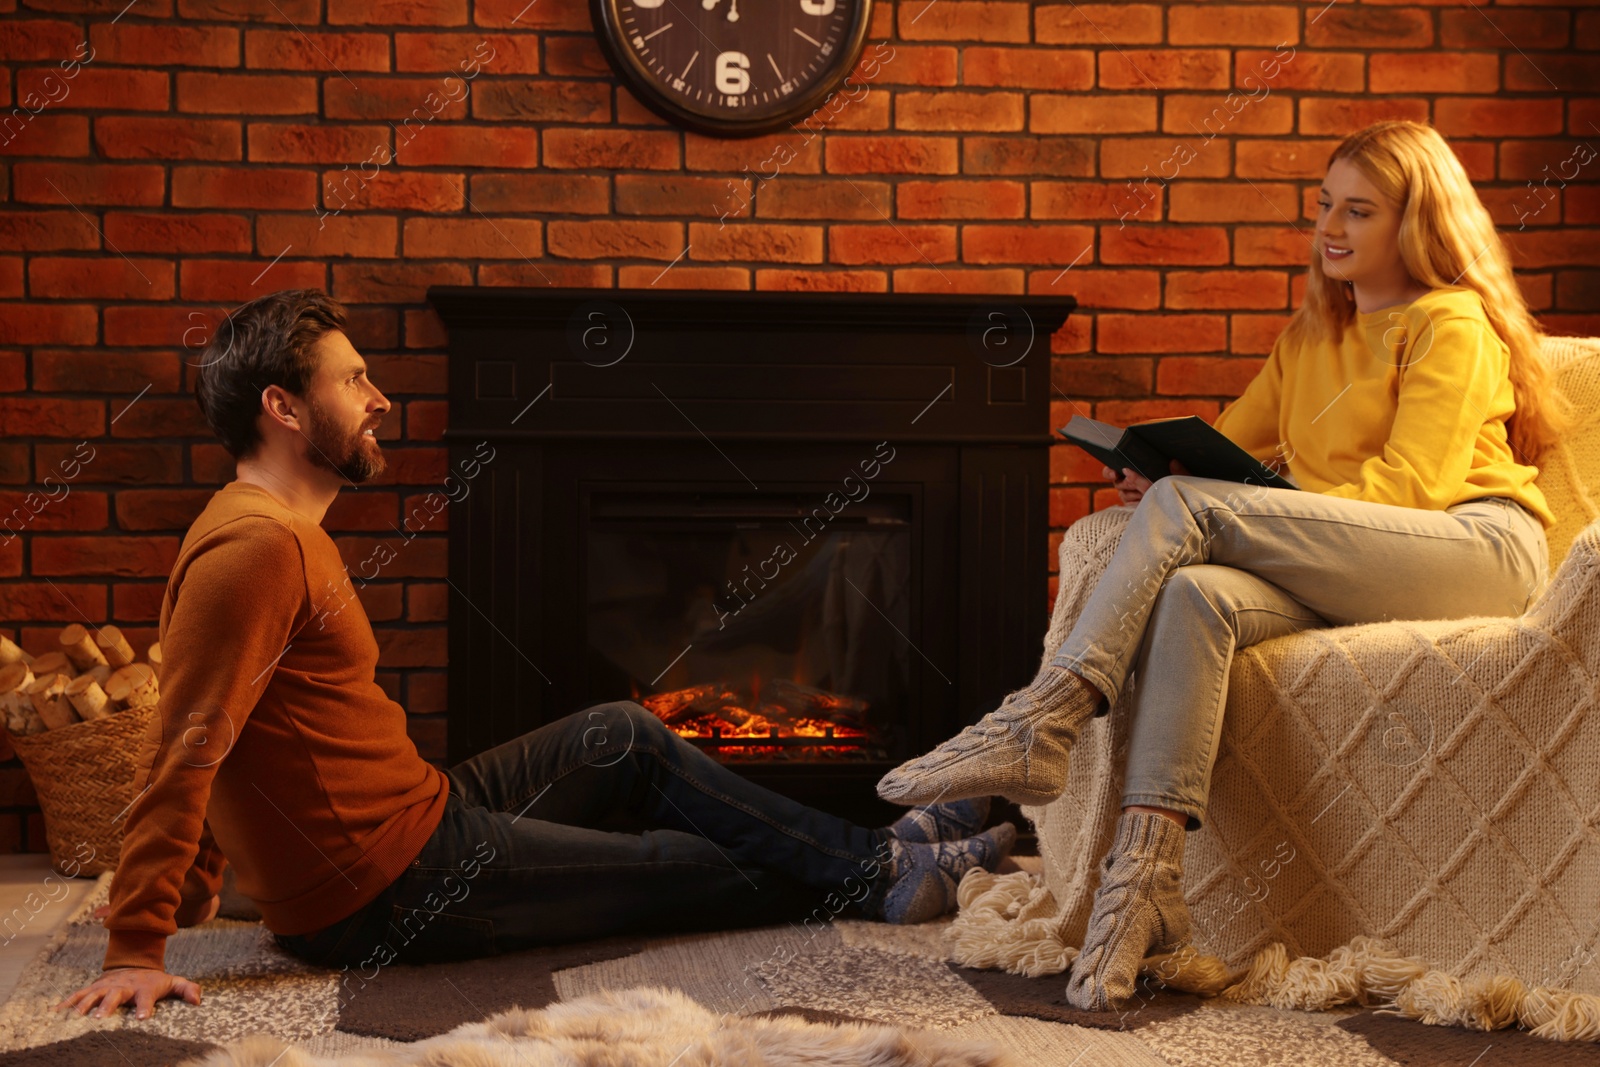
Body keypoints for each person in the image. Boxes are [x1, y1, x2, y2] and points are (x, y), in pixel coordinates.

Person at [53, 289, 1016, 1022]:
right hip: (392, 890)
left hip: (420, 812)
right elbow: (193, 742)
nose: (380, 398)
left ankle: (879, 856)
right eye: (353, 381)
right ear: (285, 408)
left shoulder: (265, 531)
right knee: (681, 866)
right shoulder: (256, 548)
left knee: (622, 731)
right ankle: (881, 869)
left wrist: (197, 890)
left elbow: (238, 724)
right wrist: (138, 942)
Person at [876, 119, 1573, 1011]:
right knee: (1197, 596)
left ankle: (1044, 719)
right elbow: (1223, 453)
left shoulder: (1450, 324)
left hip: (1470, 547)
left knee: (1190, 512)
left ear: (1419, 225)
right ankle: (1144, 886)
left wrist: (1212, 501)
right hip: (1356, 557)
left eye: (1360, 211)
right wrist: (1159, 471)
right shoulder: (1311, 335)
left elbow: (1409, 488)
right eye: (1326, 204)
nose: (1332, 227)